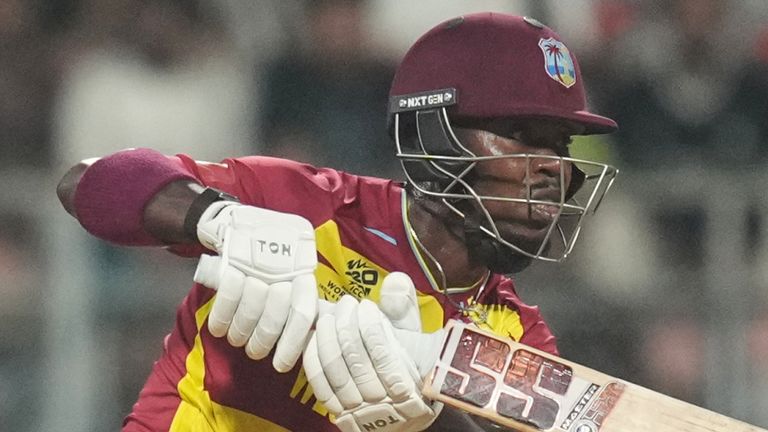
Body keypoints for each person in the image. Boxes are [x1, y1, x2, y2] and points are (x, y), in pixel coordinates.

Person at [56, 12, 618, 432]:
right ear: (432, 134)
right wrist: (219, 219)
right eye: (524, 134)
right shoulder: (306, 206)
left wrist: (428, 423)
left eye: (561, 145)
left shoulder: (519, 339)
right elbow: (84, 182)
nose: (553, 166)